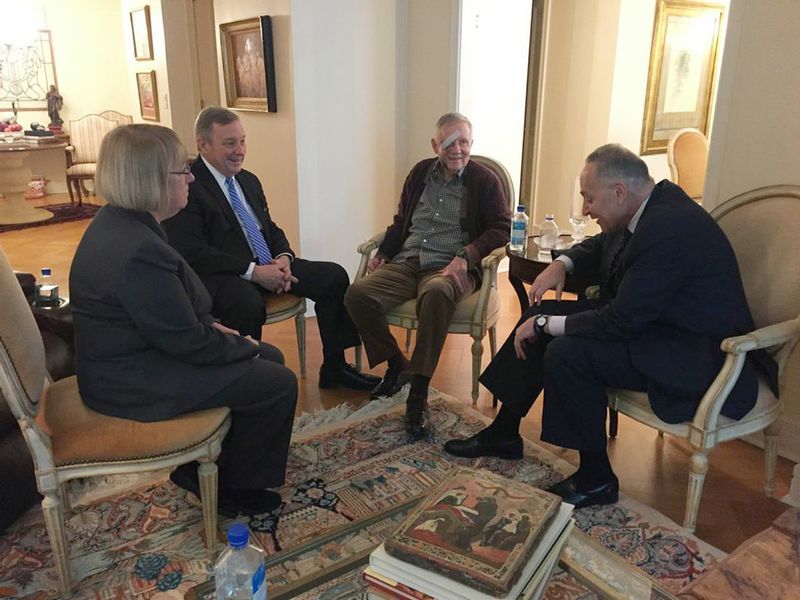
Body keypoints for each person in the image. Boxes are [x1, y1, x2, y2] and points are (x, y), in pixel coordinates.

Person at [444, 143, 778, 508]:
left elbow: (621, 320)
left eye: (589, 198)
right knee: (536, 319)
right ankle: (505, 433)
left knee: (567, 350)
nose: (586, 209)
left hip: (696, 353)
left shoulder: (670, 229)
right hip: (657, 328)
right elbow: (604, 243)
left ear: (619, 192)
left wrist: (545, 323)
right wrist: (564, 264)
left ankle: (596, 478)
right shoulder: (650, 205)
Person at [70, 124, 298, 517]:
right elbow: (186, 342)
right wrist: (243, 344)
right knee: (276, 380)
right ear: (153, 179)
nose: (192, 178)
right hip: (130, 379)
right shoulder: (138, 248)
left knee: (269, 361)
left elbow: (172, 317)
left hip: (132, 359)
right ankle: (233, 489)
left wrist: (215, 329)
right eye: (183, 170)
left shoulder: (123, 224)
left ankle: (206, 469)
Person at [163, 107, 378, 391]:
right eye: (230, 143)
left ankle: (335, 368)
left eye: (242, 141)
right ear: (203, 144)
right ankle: (248, 380)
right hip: (225, 275)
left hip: (265, 263)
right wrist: (254, 272)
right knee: (245, 303)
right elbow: (194, 252)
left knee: (333, 276)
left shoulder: (248, 180)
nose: (240, 150)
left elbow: (269, 228)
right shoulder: (190, 185)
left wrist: (283, 258)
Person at [344, 113, 511, 438]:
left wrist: (468, 256)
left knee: (436, 292)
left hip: (450, 265)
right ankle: (398, 364)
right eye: (450, 142)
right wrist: (384, 253)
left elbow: (501, 228)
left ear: (471, 144)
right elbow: (400, 220)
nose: (457, 149)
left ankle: (417, 394)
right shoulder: (421, 173)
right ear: (436, 145)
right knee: (357, 294)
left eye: (464, 142)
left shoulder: (484, 180)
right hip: (408, 260)